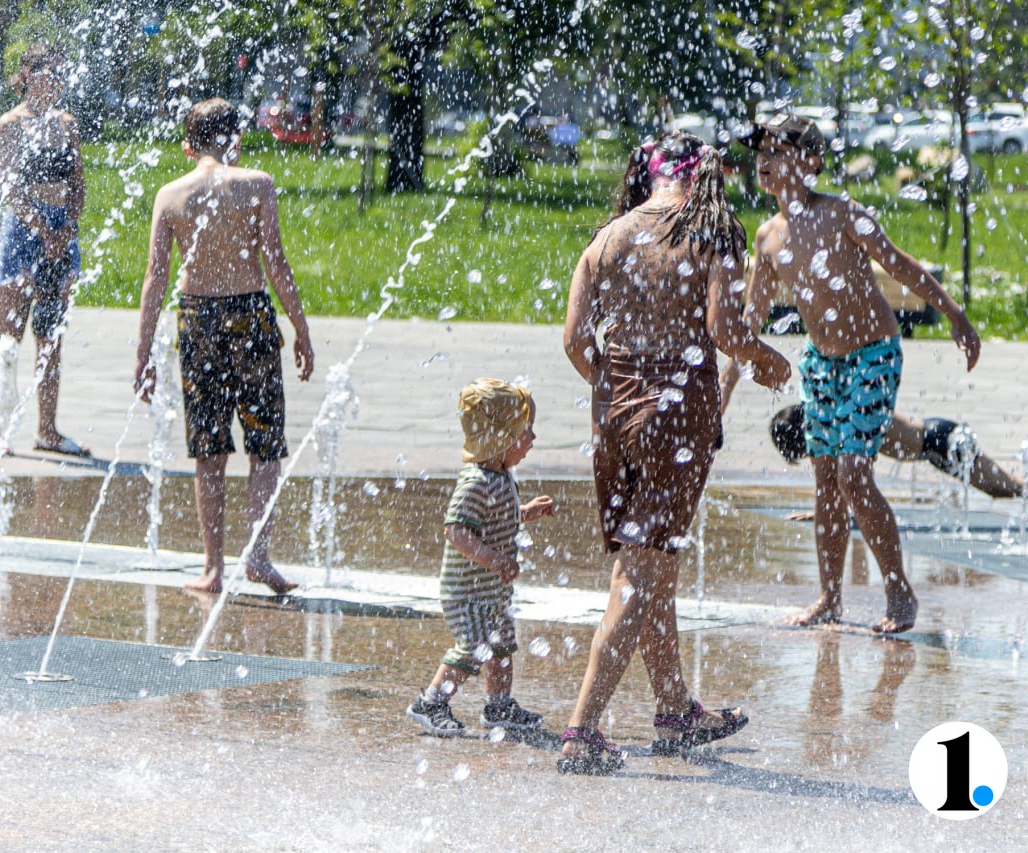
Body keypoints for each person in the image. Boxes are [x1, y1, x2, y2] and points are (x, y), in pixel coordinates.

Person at [558, 132, 792, 774]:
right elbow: (723, 328)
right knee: (636, 576)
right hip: (677, 424)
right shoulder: (711, 232)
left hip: (614, 417)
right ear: (702, 177)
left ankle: (673, 709)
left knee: (654, 563)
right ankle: (582, 730)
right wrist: (766, 359)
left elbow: (575, 341)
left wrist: (623, 391)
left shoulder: (607, 239)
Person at [731, 113, 981, 635]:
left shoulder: (842, 214)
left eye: (777, 151)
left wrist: (954, 314)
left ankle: (899, 589)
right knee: (825, 480)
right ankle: (829, 596)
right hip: (822, 363)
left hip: (873, 354)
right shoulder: (768, 236)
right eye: (761, 153)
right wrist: (722, 392)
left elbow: (900, 264)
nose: (765, 161)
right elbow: (750, 322)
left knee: (852, 475)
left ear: (811, 162)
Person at [134, 98, 313, 595]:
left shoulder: (170, 195)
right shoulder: (257, 184)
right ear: (235, 139)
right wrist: (300, 328)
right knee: (265, 444)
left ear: (187, 146)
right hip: (251, 317)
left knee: (208, 449)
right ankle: (257, 557)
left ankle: (213, 568)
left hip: (198, 321)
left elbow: (155, 278)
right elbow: (275, 262)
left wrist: (143, 353)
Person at [406, 378, 555, 737]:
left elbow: (493, 520)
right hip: (467, 591)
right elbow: (456, 530)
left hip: (491, 590)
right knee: (473, 648)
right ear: (501, 437)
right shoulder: (476, 481)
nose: (533, 438)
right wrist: (494, 560)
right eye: (526, 430)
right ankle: (430, 702)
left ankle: (498, 706)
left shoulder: (500, 476)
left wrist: (524, 512)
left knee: (501, 644)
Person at [0, 43, 88, 456]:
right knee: (8, 337)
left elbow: (78, 184)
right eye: (51, 72)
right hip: (23, 233)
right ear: (29, 74)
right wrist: (43, 228)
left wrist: (66, 228)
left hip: (61, 232)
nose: (59, 81)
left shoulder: (67, 123)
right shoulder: (11, 124)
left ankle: (47, 430)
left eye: (63, 73)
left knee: (51, 338)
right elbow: (10, 188)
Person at [754, 405, 1028, 520]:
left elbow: (855, 477)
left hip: (941, 439)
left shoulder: (843, 421)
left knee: (1005, 487)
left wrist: (828, 510)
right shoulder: (837, 415)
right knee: (1004, 486)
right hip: (936, 444)